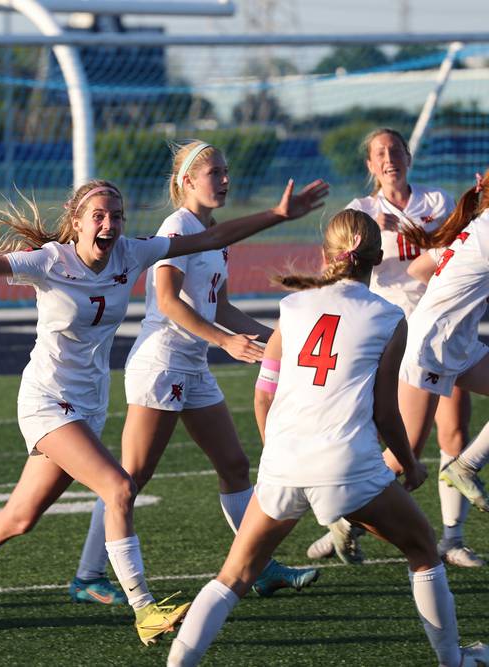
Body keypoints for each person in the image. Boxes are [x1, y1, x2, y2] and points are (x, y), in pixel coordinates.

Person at [0, 176, 328, 642]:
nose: (110, 224)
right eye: (99, 215)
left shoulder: (131, 252)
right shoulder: (48, 261)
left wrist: (278, 215)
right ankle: (145, 609)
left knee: (19, 517)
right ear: (76, 221)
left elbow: (215, 235)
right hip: (46, 402)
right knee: (119, 487)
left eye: (116, 215)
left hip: (89, 405)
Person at [165, 209, 488, 667]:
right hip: (346, 464)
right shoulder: (389, 315)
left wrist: (278, 453)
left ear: (326, 254)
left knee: (233, 575)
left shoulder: (291, 307)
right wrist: (410, 464)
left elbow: (263, 398)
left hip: (284, 463)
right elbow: (385, 412)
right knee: (422, 547)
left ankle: (179, 663)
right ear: (376, 258)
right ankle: (453, 660)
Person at [69, 141, 318, 608]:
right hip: (161, 364)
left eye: (226, 171)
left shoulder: (210, 230)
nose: (224, 180)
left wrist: (281, 339)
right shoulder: (177, 228)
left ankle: (259, 567)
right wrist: (226, 341)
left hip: (193, 364)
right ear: (187, 181)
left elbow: (219, 305)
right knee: (130, 477)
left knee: (234, 465)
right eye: (214, 173)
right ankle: (87, 576)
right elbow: (166, 301)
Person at [306, 128, 480, 568]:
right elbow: (338, 268)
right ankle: (347, 517)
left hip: (442, 329)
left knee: (453, 431)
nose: (389, 159)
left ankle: (452, 539)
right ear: (369, 165)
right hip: (391, 333)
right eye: (379, 153)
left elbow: (435, 261)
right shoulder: (360, 212)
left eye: (395, 150)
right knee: (403, 443)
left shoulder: (437, 202)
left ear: (408, 155)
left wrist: (416, 233)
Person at [396, 169, 489, 516]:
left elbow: (419, 268)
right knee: (403, 458)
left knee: (408, 456)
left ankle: (465, 466)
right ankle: (344, 519)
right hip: (433, 346)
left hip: (455, 342)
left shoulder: (477, 225)